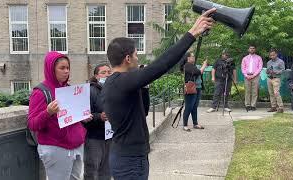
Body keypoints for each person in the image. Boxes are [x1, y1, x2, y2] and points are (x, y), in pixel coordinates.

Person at [102, 8, 216, 180]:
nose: (138, 58)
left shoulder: (118, 83)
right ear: (127, 58)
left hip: (130, 156)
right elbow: (162, 64)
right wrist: (192, 33)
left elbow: (144, 111)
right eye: (135, 54)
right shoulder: (121, 81)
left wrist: (144, 86)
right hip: (130, 162)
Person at [28, 51, 92, 180]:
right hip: (56, 148)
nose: (66, 71)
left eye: (68, 68)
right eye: (62, 68)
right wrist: (48, 113)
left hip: (76, 146)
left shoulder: (68, 89)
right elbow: (32, 124)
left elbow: (71, 116)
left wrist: (82, 117)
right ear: (52, 69)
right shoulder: (40, 92)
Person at [84, 64, 112, 180]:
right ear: (96, 76)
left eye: (109, 72)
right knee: (92, 170)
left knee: (107, 171)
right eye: (103, 72)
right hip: (94, 138)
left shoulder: (113, 90)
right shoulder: (89, 90)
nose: (107, 75)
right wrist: (99, 117)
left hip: (110, 136)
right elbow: (83, 115)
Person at [182, 52, 207, 132]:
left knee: (194, 107)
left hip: (197, 88)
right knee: (189, 107)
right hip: (190, 89)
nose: (194, 57)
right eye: (193, 56)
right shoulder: (187, 65)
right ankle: (185, 125)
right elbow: (199, 72)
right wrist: (204, 65)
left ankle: (195, 123)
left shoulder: (193, 65)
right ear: (188, 58)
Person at [241, 44, 263, 111]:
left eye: (253, 48)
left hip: (255, 76)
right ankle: (247, 105)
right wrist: (246, 75)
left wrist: (254, 75)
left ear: (255, 49)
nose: (252, 49)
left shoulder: (259, 58)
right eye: (250, 48)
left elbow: (260, 67)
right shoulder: (245, 58)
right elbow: (243, 68)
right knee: (247, 91)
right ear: (248, 49)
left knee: (255, 91)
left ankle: (253, 105)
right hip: (247, 76)